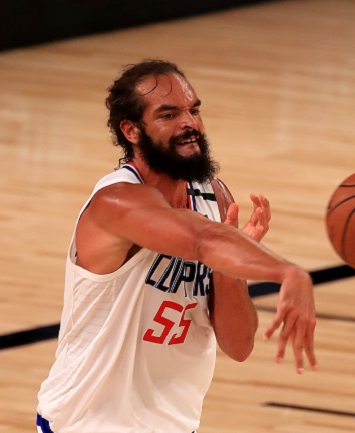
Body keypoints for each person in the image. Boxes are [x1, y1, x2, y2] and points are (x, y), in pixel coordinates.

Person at [36, 59, 317, 433]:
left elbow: (238, 345)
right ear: (132, 131)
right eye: (169, 114)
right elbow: (201, 240)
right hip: (90, 424)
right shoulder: (118, 202)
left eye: (193, 110)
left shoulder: (213, 196)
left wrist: (228, 267)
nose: (191, 123)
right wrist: (287, 272)